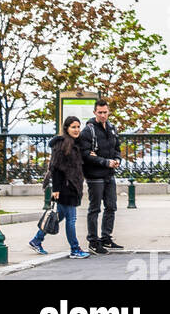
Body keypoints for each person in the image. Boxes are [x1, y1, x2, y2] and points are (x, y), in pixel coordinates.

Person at [28, 115, 91, 259]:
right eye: (73, 127)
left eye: (78, 127)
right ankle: (75, 249)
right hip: (65, 187)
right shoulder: (62, 144)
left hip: (73, 186)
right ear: (66, 128)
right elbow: (55, 168)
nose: (76, 130)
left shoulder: (76, 144)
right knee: (71, 219)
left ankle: (37, 240)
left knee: (58, 217)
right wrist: (56, 189)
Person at [79, 99, 123, 253]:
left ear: (108, 111)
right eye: (100, 112)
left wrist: (117, 159)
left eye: (105, 112)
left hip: (109, 175)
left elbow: (117, 148)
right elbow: (85, 155)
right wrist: (105, 162)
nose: (103, 115)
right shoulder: (88, 131)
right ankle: (93, 240)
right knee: (95, 208)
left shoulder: (112, 128)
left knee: (111, 206)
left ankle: (106, 237)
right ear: (94, 113)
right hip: (94, 175)